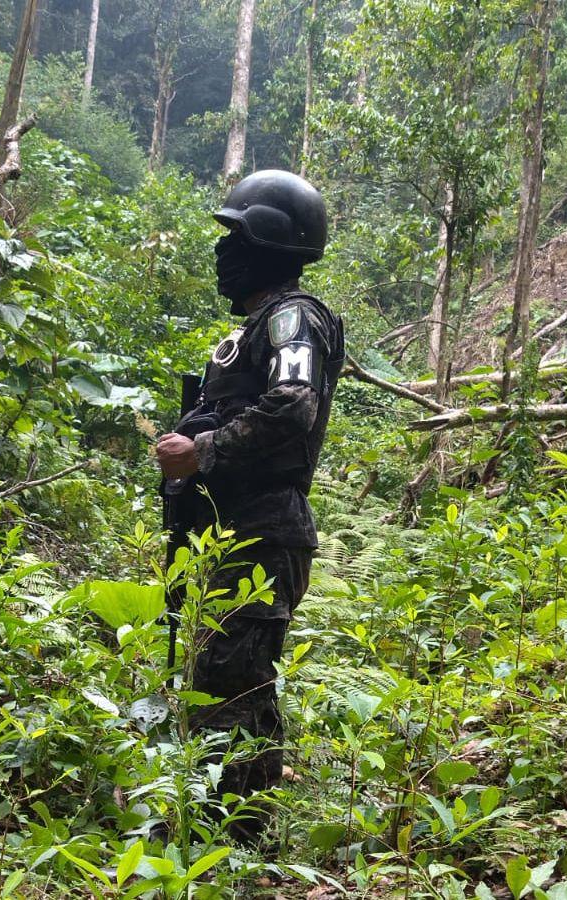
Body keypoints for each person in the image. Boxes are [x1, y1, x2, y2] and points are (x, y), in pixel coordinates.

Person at [155, 169, 344, 845]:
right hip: (232, 535)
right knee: (219, 683)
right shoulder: (261, 327)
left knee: (235, 692)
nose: (221, 253)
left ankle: (237, 846)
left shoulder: (294, 317)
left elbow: (294, 408)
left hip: (262, 535)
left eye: (235, 236)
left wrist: (203, 451)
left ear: (269, 242)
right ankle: (217, 834)